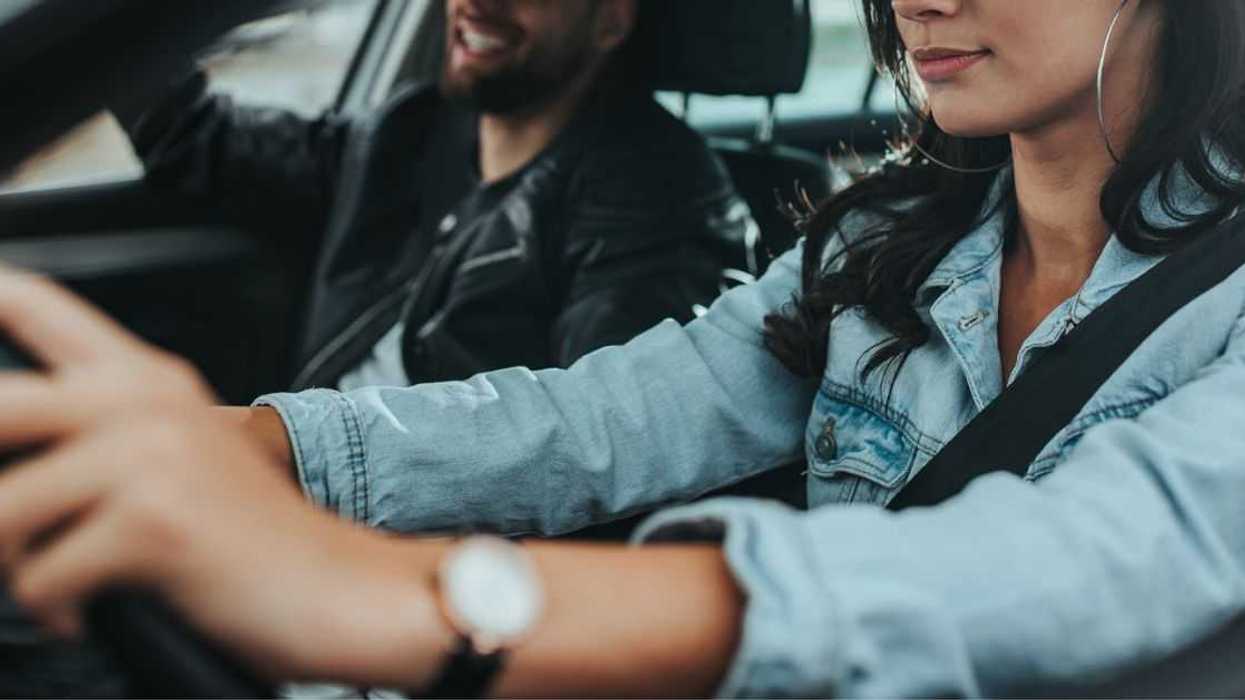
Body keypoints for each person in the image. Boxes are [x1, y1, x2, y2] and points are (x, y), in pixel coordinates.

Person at [2, 0, 1245, 696]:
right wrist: (250, 448)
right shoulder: (880, 241)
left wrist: (381, 599)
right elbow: (605, 413)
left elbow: (1067, 561)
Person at [118, 0, 750, 391]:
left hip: (423, 552)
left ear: (611, 18)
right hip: (301, 477)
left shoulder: (653, 195)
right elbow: (198, 140)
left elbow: (607, 442)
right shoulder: (408, 134)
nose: (477, 3)